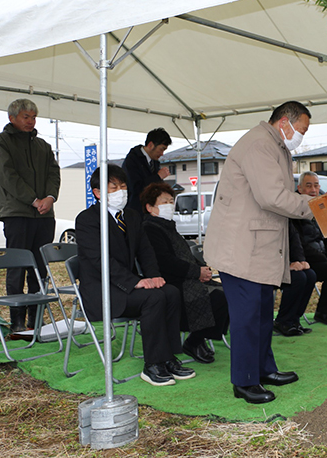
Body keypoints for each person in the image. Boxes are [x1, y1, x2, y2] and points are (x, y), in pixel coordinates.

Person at [204, 101, 314, 404]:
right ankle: (244, 381)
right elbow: (273, 197)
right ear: (284, 123)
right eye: (301, 130)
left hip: (257, 247)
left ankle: (263, 369)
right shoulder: (259, 145)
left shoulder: (274, 144)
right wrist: (317, 205)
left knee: (264, 312)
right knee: (247, 317)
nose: (301, 137)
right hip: (240, 249)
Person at [76, 165, 195, 387]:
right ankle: (152, 365)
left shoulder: (131, 216)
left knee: (169, 291)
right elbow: (100, 260)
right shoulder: (87, 220)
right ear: (98, 192)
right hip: (104, 291)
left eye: (123, 186)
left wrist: (154, 276)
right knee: (154, 298)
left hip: (127, 286)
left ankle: (168, 357)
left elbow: (145, 251)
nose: (121, 191)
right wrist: (136, 281)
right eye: (114, 187)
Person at [0, 99, 60, 336]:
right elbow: (7, 176)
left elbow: (53, 173)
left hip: (44, 215)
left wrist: (49, 197)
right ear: (12, 118)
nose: (31, 121)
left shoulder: (43, 145)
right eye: (26, 117)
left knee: (40, 268)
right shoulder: (2, 142)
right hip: (17, 213)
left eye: (33, 117)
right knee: (17, 265)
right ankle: (17, 322)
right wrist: (33, 199)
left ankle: (35, 320)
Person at [139, 182, 230, 364]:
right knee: (219, 298)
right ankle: (195, 340)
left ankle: (198, 338)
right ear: (150, 207)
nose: (170, 205)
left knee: (226, 293)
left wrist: (201, 270)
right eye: (164, 202)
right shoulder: (150, 228)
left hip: (186, 277)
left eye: (171, 201)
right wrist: (196, 272)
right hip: (172, 282)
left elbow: (185, 255)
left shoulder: (168, 227)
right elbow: (165, 261)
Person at [293, 171, 327, 325]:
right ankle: (323, 312)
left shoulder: (320, 205)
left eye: (316, 185)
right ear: (300, 188)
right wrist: (324, 258)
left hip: (321, 257)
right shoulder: (295, 208)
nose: (313, 189)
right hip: (305, 258)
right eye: (308, 186)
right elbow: (299, 243)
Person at [273, 221, 316, 337]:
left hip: (282, 264)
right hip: (265, 267)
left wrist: (300, 260)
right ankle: (283, 321)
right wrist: (285, 265)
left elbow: (294, 239)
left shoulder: (285, 219)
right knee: (297, 278)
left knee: (310, 275)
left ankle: (294, 319)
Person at [122, 127, 172, 213]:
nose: (162, 154)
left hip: (151, 211)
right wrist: (158, 176)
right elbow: (136, 188)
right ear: (151, 145)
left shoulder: (154, 162)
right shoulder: (132, 160)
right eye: (161, 149)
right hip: (135, 212)